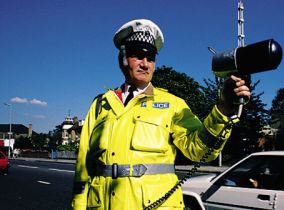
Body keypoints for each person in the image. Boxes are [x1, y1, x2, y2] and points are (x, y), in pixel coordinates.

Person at [71, 19, 250, 210]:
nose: (145, 64)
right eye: (138, 56)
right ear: (122, 59)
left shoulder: (173, 105)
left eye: (151, 58)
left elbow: (199, 150)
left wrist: (223, 109)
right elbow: (83, 167)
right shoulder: (101, 104)